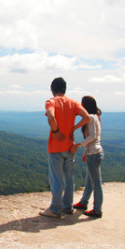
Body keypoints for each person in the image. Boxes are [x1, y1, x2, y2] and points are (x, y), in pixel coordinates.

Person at [40, 77, 90, 218]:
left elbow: (51, 115)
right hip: (70, 146)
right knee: (69, 179)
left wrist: (56, 131)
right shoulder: (73, 103)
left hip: (56, 147)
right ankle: (67, 207)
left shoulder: (51, 102)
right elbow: (87, 117)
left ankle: (55, 209)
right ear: (65, 89)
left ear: (52, 89)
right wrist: (73, 128)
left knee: (56, 180)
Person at [70, 96, 104, 218]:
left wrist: (79, 145)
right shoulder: (96, 117)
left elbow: (93, 136)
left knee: (96, 182)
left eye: (82, 104)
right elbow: (95, 137)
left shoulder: (91, 118)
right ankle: (83, 203)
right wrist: (85, 151)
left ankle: (97, 210)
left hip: (94, 154)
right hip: (94, 152)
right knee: (89, 181)